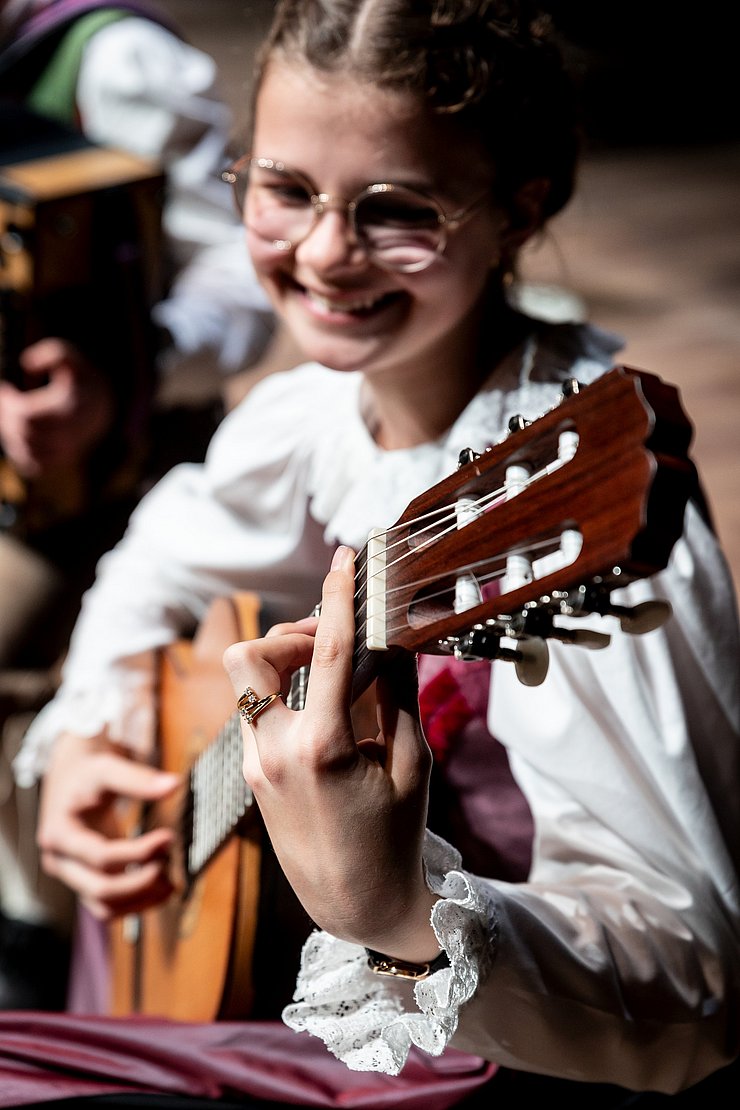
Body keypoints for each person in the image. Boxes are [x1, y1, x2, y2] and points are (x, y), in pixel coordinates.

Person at [2, 0, 739, 1104]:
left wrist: (389, 914)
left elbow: (696, 990)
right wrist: (84, 739)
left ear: (517, 208)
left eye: (398, 209)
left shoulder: (574, 516)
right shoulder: (314, 412)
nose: (326, 252)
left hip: (475, 1057)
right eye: (285, 191)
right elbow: (158, 548)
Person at [0, 0, 278, 1010]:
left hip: (130, 446)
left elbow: (249, 268)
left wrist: (128, 371)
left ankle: (46, 947)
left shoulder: (114, 62)